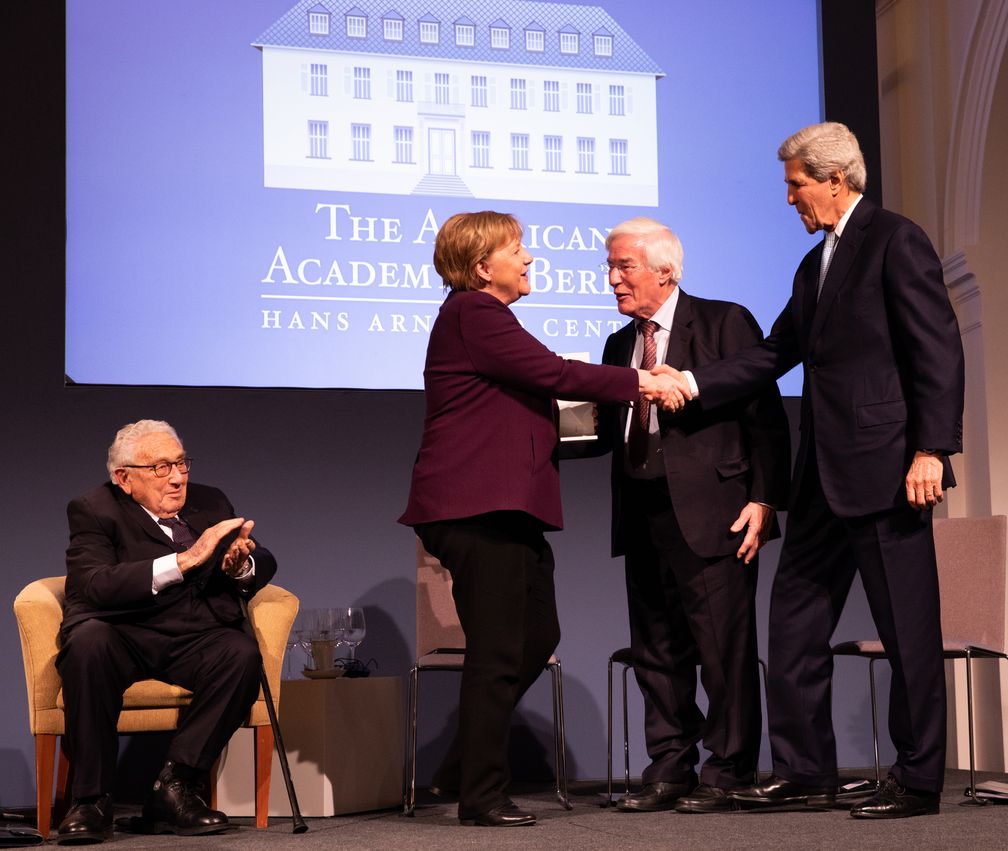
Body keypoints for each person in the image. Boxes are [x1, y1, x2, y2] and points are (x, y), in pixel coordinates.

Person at [666, 121, 964, 818]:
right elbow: (774, 354)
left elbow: (938, 348)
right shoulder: (813, 266)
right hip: (822, 475)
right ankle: (805, 770)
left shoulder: (896, 240)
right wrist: (691, 380)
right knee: (794, 622)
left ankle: (918, 779)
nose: (790, 200)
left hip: (889, 469)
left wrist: (932, 448)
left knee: (907, 630)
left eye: (795, 186)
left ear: (835, 180)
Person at [398, 211, 684, 828]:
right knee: (499, 650)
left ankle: (463, 767)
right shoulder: (474, 312)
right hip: (478, 508)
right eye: (517, 249)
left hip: (507, 509)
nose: (529, 259)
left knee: (535, 637)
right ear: (482, 267)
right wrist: (642, 382)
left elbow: (537, 401)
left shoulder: (485, 319)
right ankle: (480, 795)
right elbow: (553, 373)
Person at [575, 218, 790, 814]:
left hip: (717, 512)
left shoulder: (725, 322)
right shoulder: (622, 344)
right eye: (609, 268)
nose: (612, 279)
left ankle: (729, 769)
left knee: (722, 649)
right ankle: (670, 767)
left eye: (624, 267)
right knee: (657, 649)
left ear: (665, 271)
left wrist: (765, 499)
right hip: (641, 511)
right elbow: (607, 432)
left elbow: (764, 416)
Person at [56, 419, 277, 843]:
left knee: (240, 655)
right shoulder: (93, 509)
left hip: (192, 633)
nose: (177, 478)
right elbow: (94, 584)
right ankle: (91, 800)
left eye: (180, 463)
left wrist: (240, 564)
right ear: (124, 478)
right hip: (121, 629)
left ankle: (173, 788)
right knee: (88, 646)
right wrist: (186, 560)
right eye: (160, 468)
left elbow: (262, 556)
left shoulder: (210, 501)